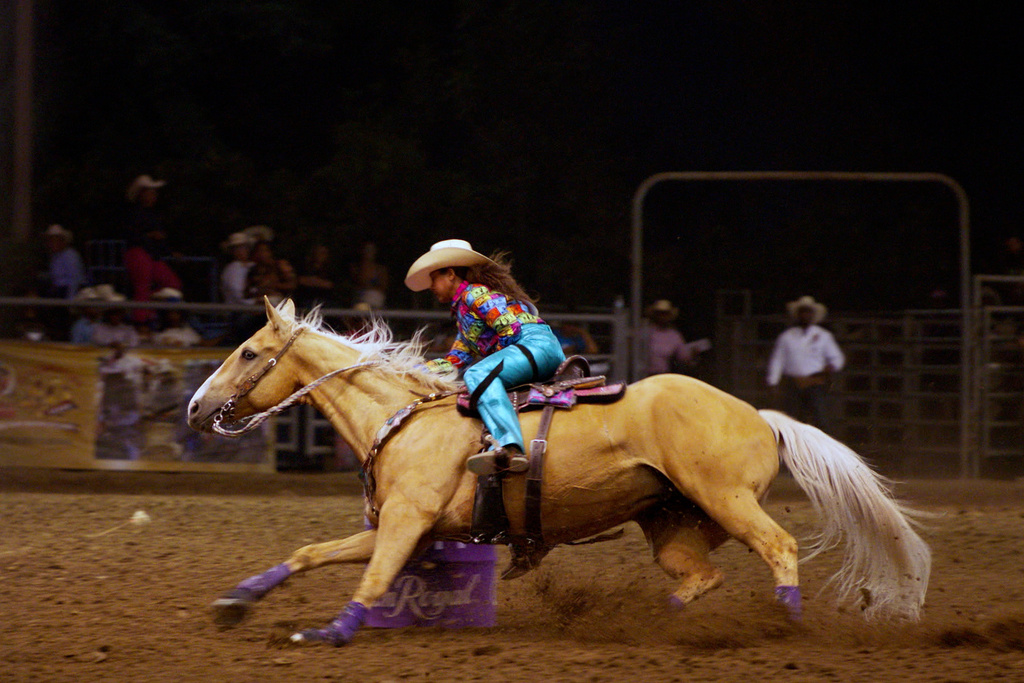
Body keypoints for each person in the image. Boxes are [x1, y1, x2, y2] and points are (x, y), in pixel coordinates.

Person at [405, 239, 566, 475]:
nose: (430, 285)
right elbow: (454, 361)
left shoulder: (474, 294)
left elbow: (509, 328)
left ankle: (509, 447)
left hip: (533, 345)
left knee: (479, 374)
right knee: (479, 373)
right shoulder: (465, 315)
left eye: (434, 277)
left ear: (450, 274)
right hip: (535, 348)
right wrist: (412, 371)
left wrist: (492, 360)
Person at [766, 295, 846, 430]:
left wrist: (830, 367)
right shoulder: (787, 337)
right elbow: (777, 360)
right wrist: (773, 381)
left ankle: (822, 448)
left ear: (812, 315)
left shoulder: (823, 336)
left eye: (808, 312)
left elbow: (837, 358)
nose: (805, 315)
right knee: (792, 419)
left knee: (821, 418)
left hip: (816, 382)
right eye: (803, 312)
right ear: (798, 314)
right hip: (794, 383)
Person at [121, 174, 182, 327]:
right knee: (142, 285)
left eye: (154, 193)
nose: (153, 195)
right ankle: (140, 321)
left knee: (172, 284)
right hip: (137, 252)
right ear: (141, 194)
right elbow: (130, 235)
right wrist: (150, 235)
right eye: (150, 192)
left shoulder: (153, 215)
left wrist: (169, 252)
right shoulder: (133, 213)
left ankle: (154, 312)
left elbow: (158, 240)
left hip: (151, 255)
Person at [643, 299, 695, 376]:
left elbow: (684, 356)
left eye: (665, 314)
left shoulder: (674, 335)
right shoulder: (646, 331)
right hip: (644, 374)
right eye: (660, 313)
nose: (662, 317)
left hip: (663, 375)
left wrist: (692, 354)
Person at [245, 239, 297, 307]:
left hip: (279, 302)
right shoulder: (254, 270)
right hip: (258, 302)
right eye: (259, 251)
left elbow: (292, 285)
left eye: (264, 251)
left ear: (270, 252)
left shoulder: (280, 265)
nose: (261, 254)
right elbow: (247, 292)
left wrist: (273, 285)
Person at [41, 224, 87, 299]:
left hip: (67, 291)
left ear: (62, 241)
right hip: (57, 290)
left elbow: (75, 279)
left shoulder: (70, 255)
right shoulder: (55, 256)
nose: (52, 243)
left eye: (56, 240)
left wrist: (70, 300)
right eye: (50, 240)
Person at [296, 243, 340, 309]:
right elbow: (299, 280)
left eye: (324, 253)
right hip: (307, 301)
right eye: (320, 253)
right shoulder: (305, 268)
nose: (322, 255)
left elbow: (331, 285)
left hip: (326, 302)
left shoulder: (330, 270)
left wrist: (314, 281)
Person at [219, 231, 255, 306]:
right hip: (238, 310)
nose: (241, 251)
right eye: (237, 248)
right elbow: (237, 294)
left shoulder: (253, 265)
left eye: (244, 247)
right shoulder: (232, 269)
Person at [351, 240, 388, 309]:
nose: (369, 252)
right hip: (361, 298)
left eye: (371, 250)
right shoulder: (357, 268)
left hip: (377, 298)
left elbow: (383, 286)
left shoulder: (380, 269)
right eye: (367, 250)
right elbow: (357, 284)